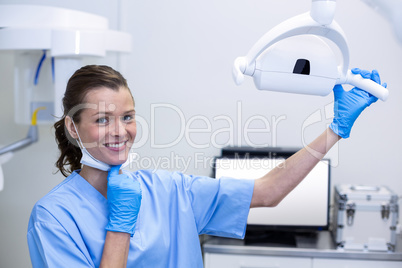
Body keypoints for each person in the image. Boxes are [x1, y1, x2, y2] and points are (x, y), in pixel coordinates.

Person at [27, 65, 386, 267]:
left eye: (127, 116)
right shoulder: (53, 217)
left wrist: (335, 129)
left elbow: (267, 192)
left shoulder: (169, 190)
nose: (120, 131)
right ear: (74, 128)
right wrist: (120, 227)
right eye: (102, 120)